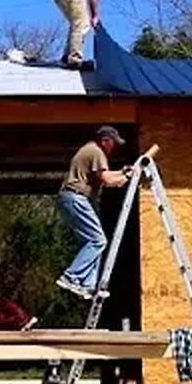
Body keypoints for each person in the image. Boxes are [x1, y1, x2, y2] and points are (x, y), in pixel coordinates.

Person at [55, 125, 132, 300]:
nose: (115, 147)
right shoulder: (96, 152)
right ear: (105, 140)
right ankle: (71, 276)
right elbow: (108, 181)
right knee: (98, 241)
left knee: (93, 243)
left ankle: (88, 285)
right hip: (76, 198)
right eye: (113, 143)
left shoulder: (89, 150)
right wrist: (126, 177)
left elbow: (106, 176)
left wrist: (122, 172)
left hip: (72, 198)